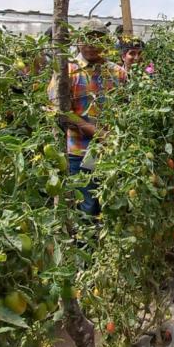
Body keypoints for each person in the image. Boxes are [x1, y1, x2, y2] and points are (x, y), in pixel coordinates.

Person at [47, 18, 126, 217]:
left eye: (97, 40)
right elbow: (57, 109)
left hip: (112, 152)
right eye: (86, 39)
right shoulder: (67, 71)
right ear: (77, 41)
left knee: (112, 206)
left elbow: (128, 107)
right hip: (80, 153)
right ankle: (87, 247)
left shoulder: (118, 73)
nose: (91, 45)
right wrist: (92, 130)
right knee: (87, 208)